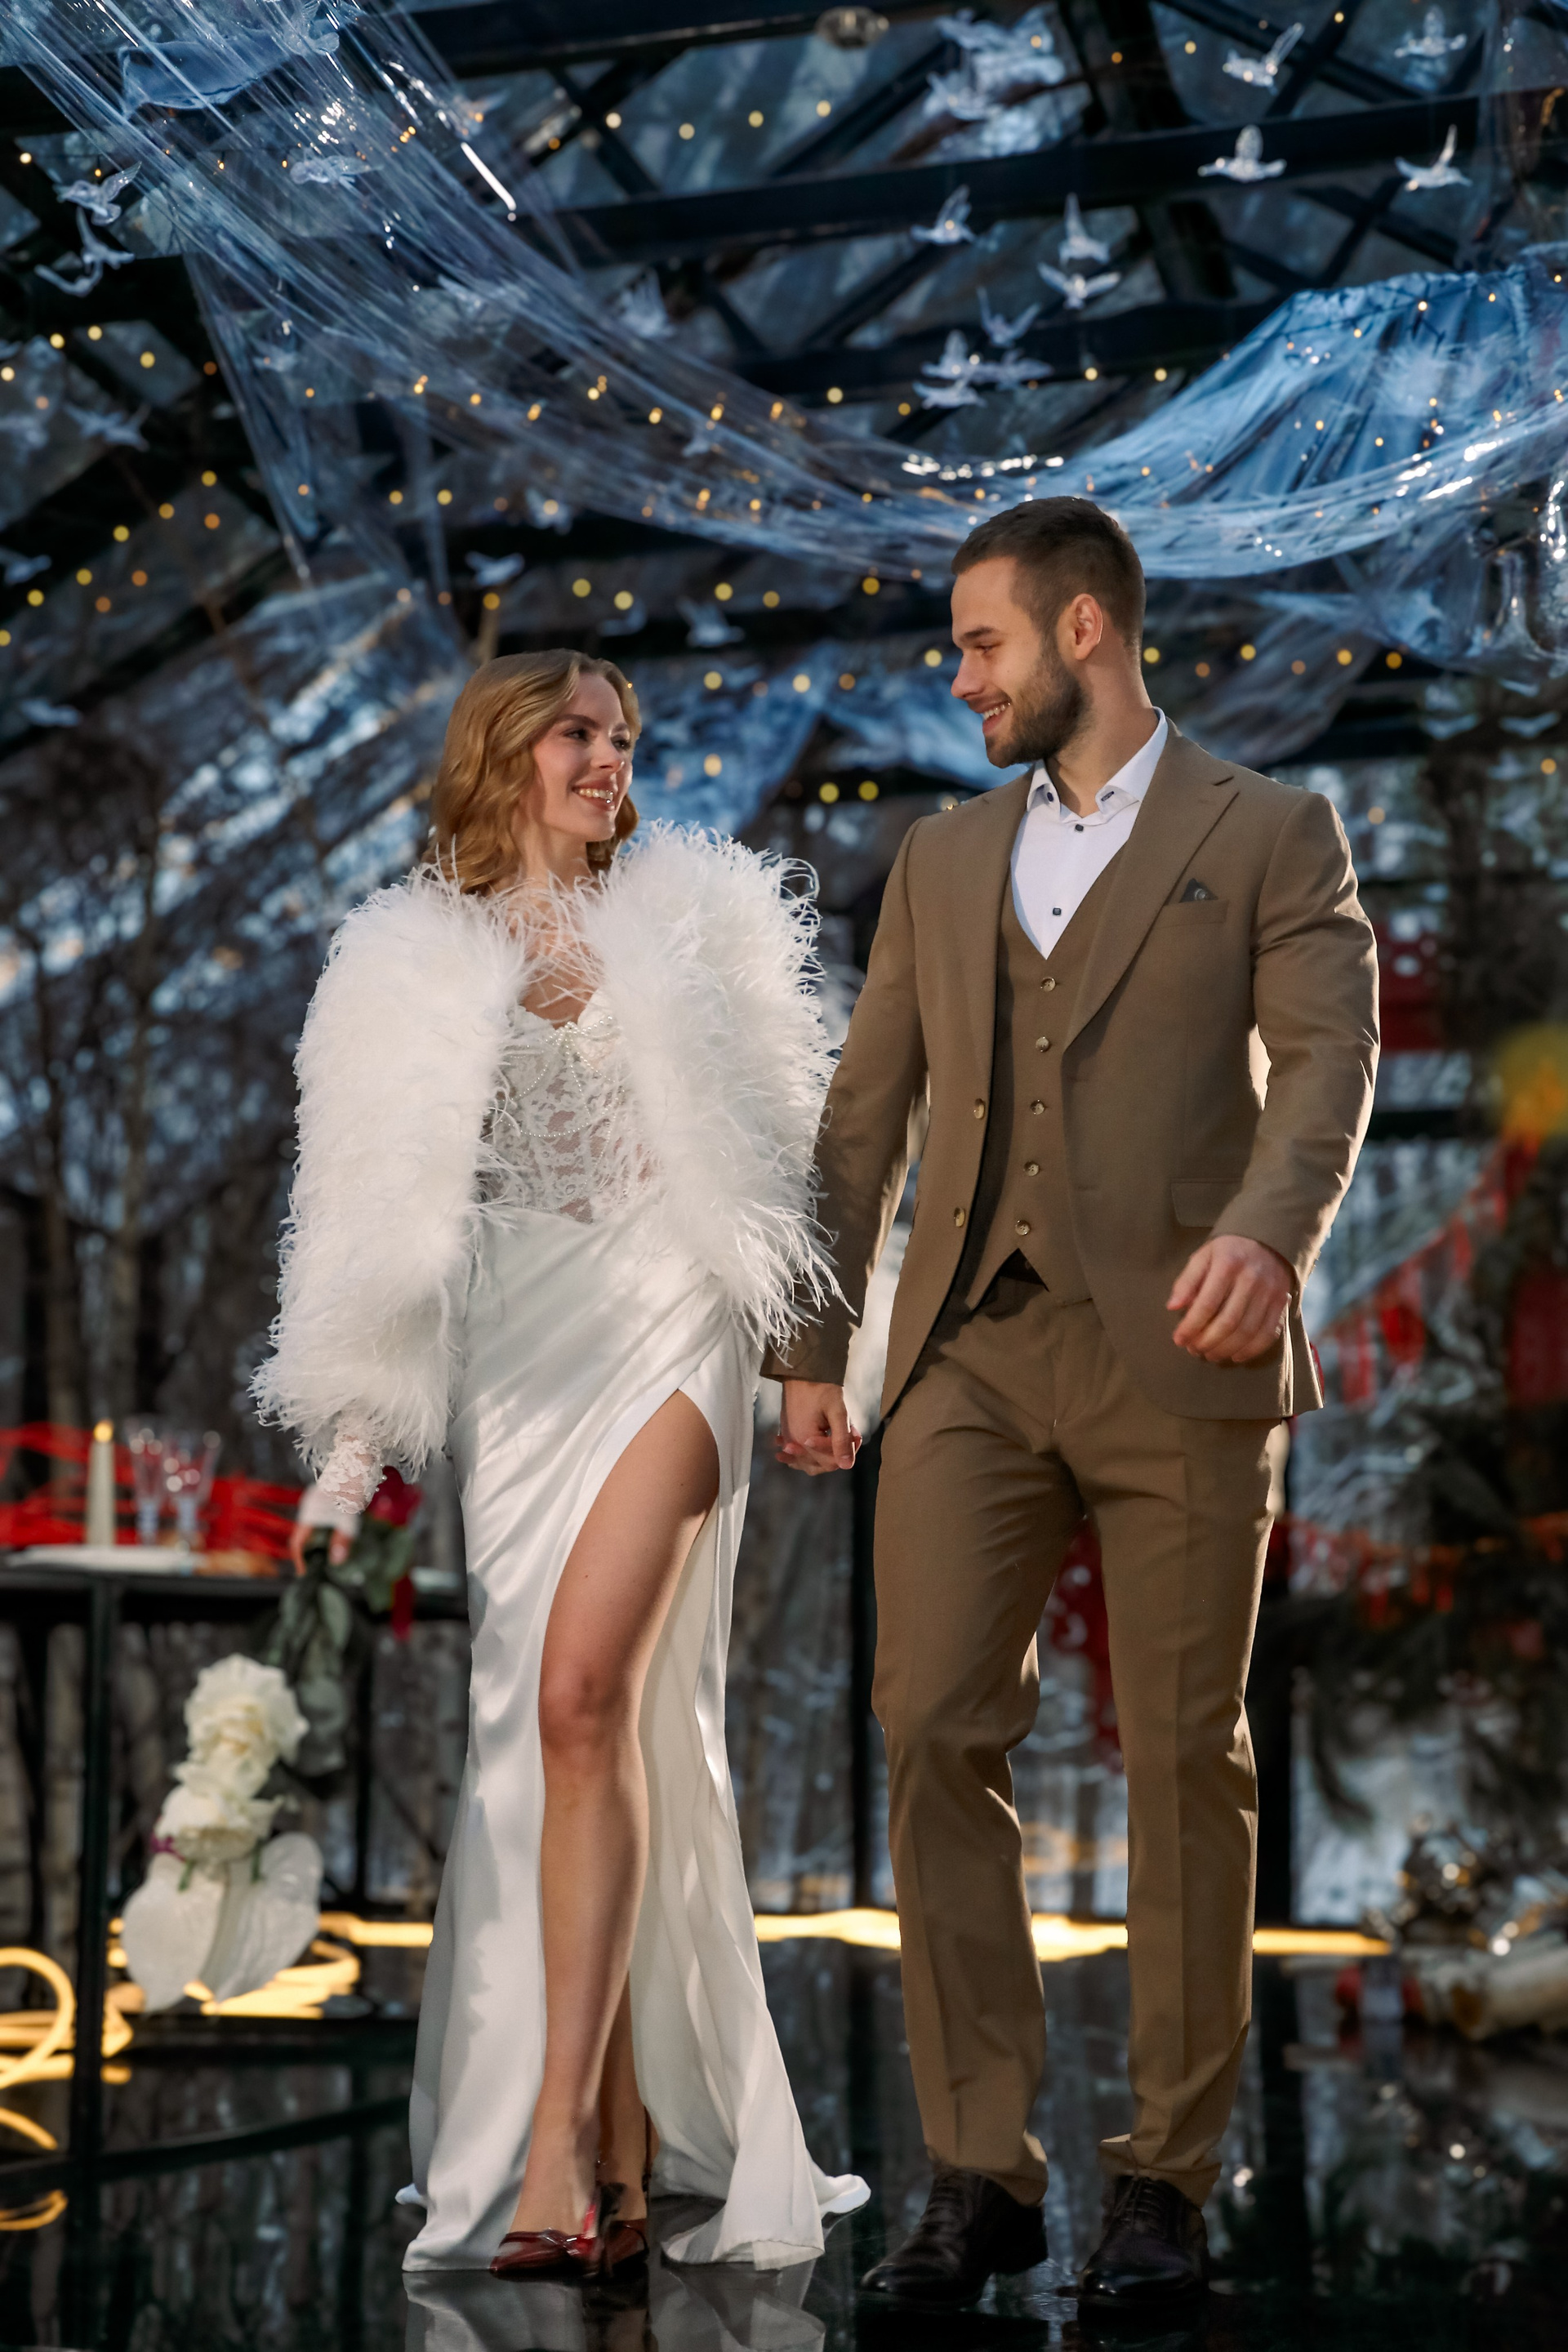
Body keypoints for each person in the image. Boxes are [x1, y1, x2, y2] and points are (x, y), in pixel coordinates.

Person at [770, 501, 1377, 2311]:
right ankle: (981, 2174)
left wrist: (1269, 1236)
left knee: (1184, 1756)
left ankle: (1164, 2179)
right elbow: (863, 1114)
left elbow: (1331, 1058)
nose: (960, 677)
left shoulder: (1269, 829)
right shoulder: (942, 856)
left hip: (1185, 1345)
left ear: (1087, 629)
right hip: (968, 1348)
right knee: (930, 1723)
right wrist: (814, 1341)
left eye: (984, 643)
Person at [256, 649, 866, 2278]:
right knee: (546, 1732)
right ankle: (618, 2126)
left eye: (624, 737)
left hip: (674, 1317)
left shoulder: (702, 919)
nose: (611, 760)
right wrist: (348, 1464)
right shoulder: (403, 962)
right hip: (514, 1361)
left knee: (586, 1696)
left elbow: (798, 1159)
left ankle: (553, 2147)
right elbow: (370, 1237)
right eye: (580, 734)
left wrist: (815, 1362)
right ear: (505, 750)